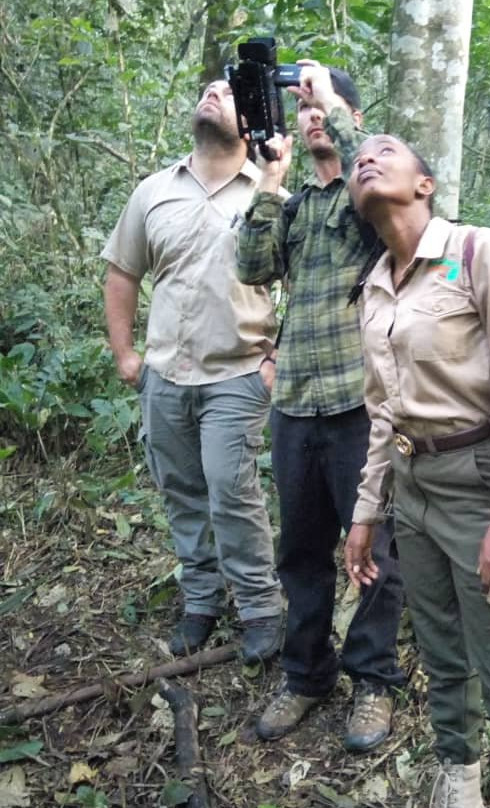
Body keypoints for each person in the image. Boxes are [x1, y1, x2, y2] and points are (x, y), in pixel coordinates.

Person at [344, 135, 490, 807]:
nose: (367, 157)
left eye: (386, 149)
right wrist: (366, 512)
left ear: (425, 184)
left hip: (481, 484)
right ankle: (460, 778)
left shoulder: (479, 251)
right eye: (361, 156)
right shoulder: (376, 286)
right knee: (443, 658)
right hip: (413, 491)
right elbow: (382, 414)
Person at [235, 62, 405, 752]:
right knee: (300, 552)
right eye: (302, 111)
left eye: (321, 112)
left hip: (358, 405)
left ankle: (373, 681)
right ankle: (307, 676)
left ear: (348, 121)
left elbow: (382, 199)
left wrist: (330, 102)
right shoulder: (299, 203)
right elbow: (251, 267)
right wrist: (270, 182)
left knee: (374, 554)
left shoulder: (369, 202)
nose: (308, 120)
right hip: (297, 407)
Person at [102, 79, 284, 666]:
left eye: (228, 94)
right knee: (180, 490)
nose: (213, 94)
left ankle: (261, 609)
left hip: (237, 371)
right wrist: (126, 354)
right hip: (164, 375)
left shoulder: (268, 190)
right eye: (207, 89)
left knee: (231, 492)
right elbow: (123, 272)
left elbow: (303, 285)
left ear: (251, 119)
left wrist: (277, 360)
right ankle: (201, 601)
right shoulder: (154, 190)